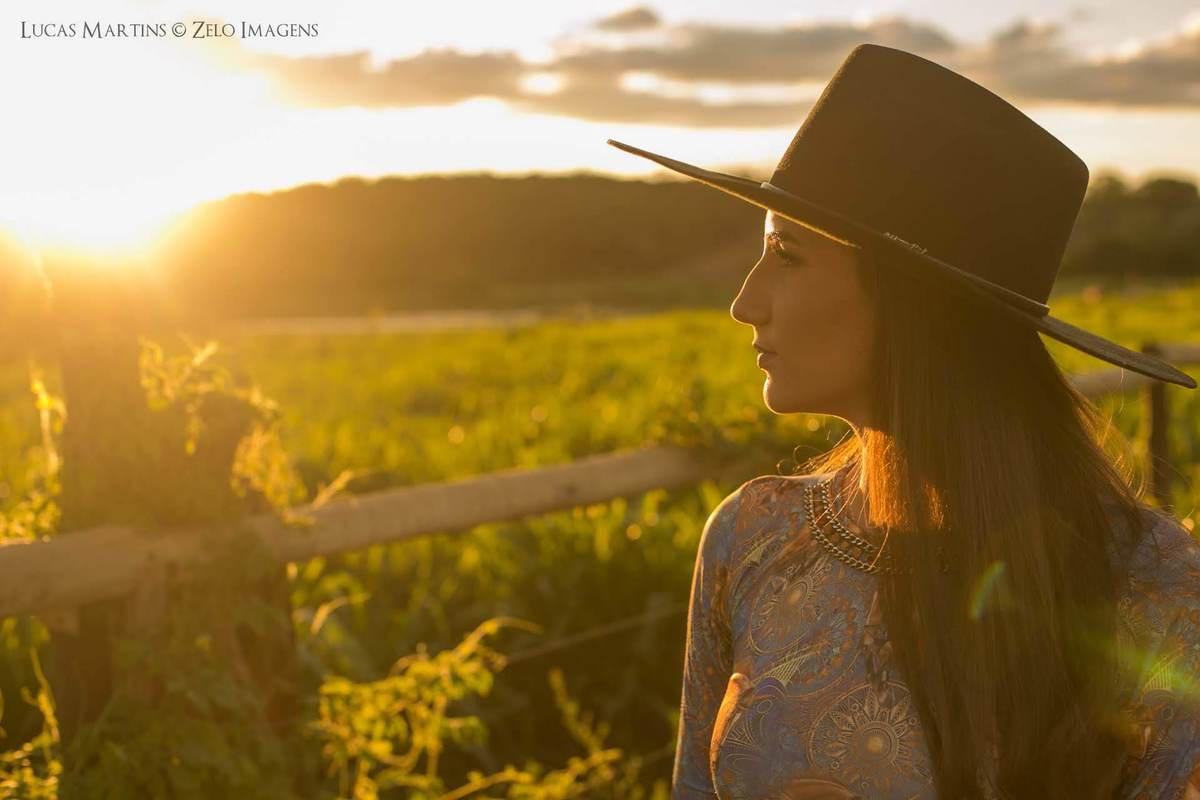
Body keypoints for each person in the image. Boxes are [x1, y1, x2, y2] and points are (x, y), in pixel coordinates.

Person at [606, 44, 1200, 798]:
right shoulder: (753, 537)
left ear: (916, 303)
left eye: (787, 255)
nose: (744, 302)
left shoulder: (1152, 581)